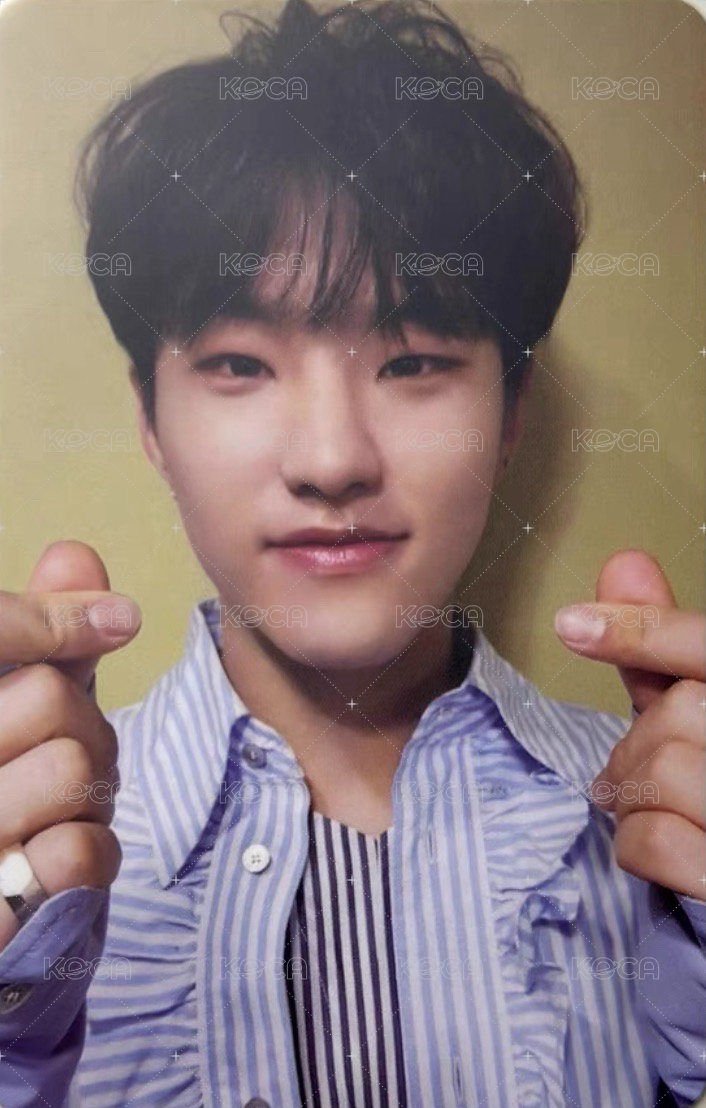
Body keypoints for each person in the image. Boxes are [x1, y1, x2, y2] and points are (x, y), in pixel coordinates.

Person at [0, 0, 704, 1105]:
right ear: (149, 419)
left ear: (511, 412)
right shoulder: (36, 833)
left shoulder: (660, 828)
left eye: (413, 360)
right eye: (239, 363)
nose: (331, 460)